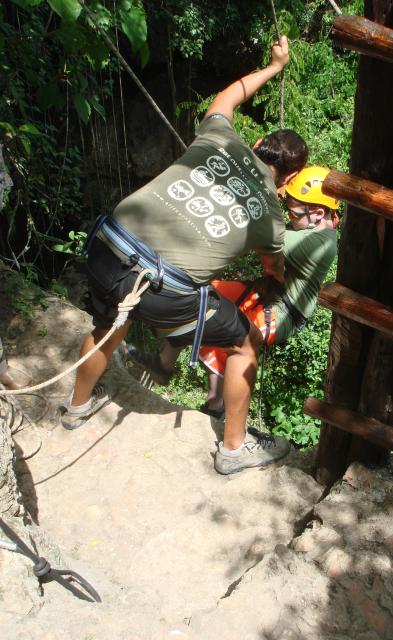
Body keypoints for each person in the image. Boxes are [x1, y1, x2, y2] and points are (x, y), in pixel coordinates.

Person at [60, 37, 309, 475]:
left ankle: (77, 407)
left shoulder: (219, 136)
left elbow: (230, 96)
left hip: (106, 248)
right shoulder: (272, 217)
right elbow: (274, 269)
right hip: (161, 291)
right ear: (289, 179)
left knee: (110, 322)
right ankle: (233, 450)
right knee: (246, 342)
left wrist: (274, 66)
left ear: (258, 142)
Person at [128, 167, 339, 434]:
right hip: (263, 293)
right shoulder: (311, 228)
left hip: (282, 312)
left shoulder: (321, 244)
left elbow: (262, 236)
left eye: (294, 213)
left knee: (224, 333)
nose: (289, 216)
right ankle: (163, 364)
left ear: (317, 213)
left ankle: (216, 405)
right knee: (198, 294)